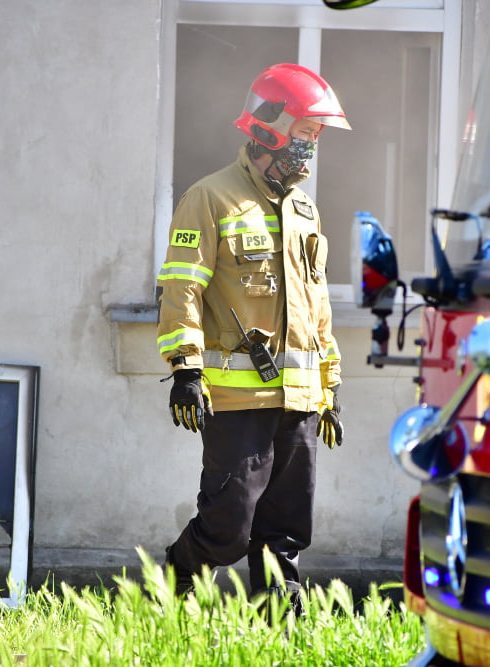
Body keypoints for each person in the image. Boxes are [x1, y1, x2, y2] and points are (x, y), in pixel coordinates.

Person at [155, 63, 349, 605]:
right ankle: (170, 587)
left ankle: (280, 631)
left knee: (284, 532)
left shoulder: (306, 210)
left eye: (316, 137)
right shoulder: (209, 197)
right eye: (305, 133)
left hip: (300, 400)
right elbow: (181, 288)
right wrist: (186, 368)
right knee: (229, 525)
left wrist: (329, 384)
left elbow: (317, 303)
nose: (311, 148)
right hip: (238, 400)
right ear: (269, 127)